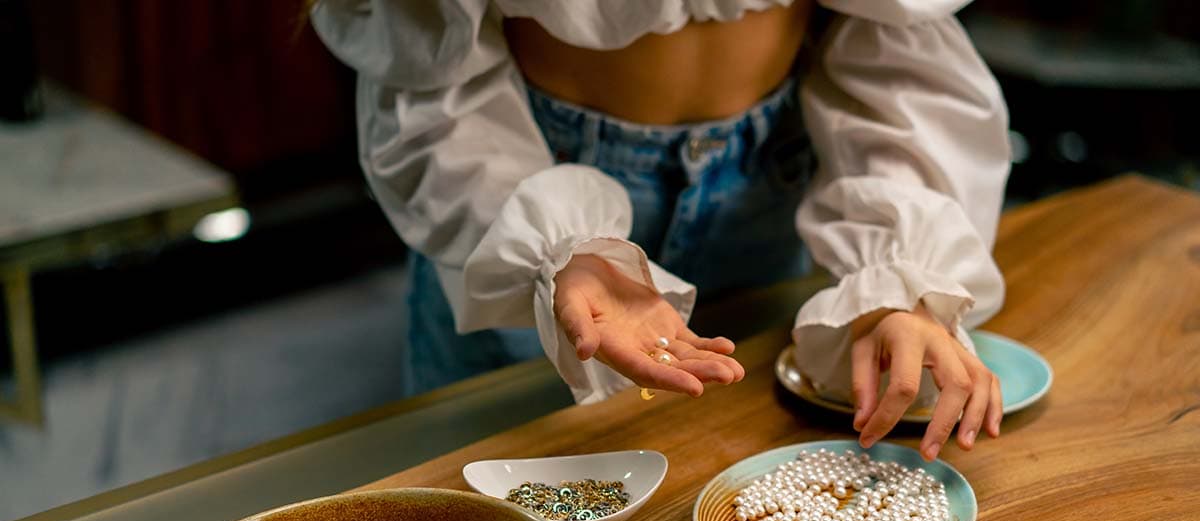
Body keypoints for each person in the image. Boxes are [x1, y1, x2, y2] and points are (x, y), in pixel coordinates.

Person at [310, 0, 1009, 461]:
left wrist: (898, 275)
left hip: (770, 196)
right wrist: (557, 247)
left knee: (734, 489)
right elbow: (424, 65)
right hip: (514, 194)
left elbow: (891, 34)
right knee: (486, 510)